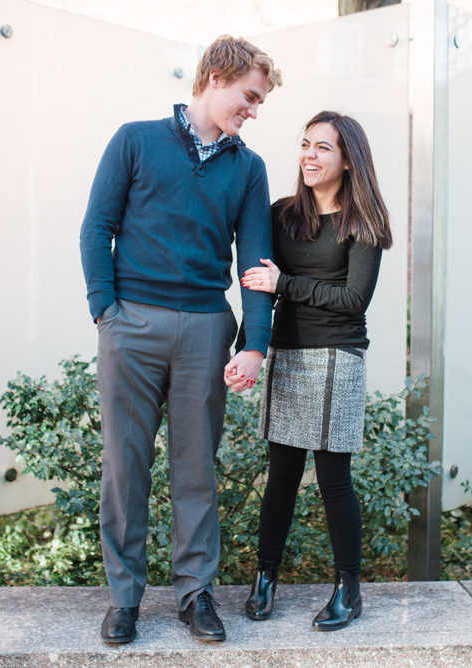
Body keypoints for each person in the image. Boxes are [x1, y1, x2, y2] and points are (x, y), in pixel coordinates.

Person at [79, 36, 281, 644]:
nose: (254, 110)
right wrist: (104, 313)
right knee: (125, 467)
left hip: (204, 329)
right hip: (131, 325)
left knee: (195, 470)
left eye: (260, 102)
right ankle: (124, 601)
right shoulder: (135, 140)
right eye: (249, 96)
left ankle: (195, 596)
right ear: (216, 77)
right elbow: (97, 229)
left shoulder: (248, 167)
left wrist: (254, 342)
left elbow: (256, 259)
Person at [239, 111, 392, 631]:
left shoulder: (362, 224)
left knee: (333, 481)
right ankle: (265, 578)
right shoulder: (281, 215)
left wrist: (285, 284)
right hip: (287, 353)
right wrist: (249, 344)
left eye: (322, 148)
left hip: (337, 360)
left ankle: (349, 587)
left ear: (347, 159)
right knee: (280, 478)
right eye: (305, 144)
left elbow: (353, 300)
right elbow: (252, 278)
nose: (309, 155)